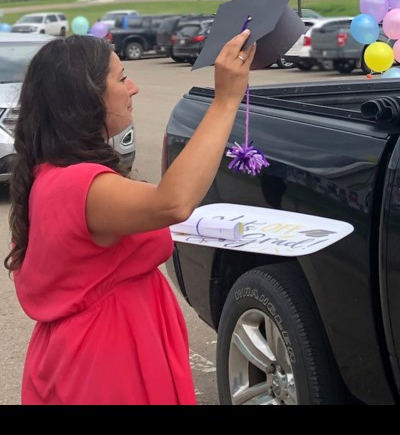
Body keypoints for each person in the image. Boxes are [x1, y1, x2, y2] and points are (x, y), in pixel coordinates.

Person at [4, 27, 256, 404]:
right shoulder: (79, 184)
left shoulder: (54, 174)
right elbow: (172, 202)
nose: (133, 87)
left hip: (96, 354)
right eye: (121, 78)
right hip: (106, 367)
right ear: (86, 98)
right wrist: (226, 101)